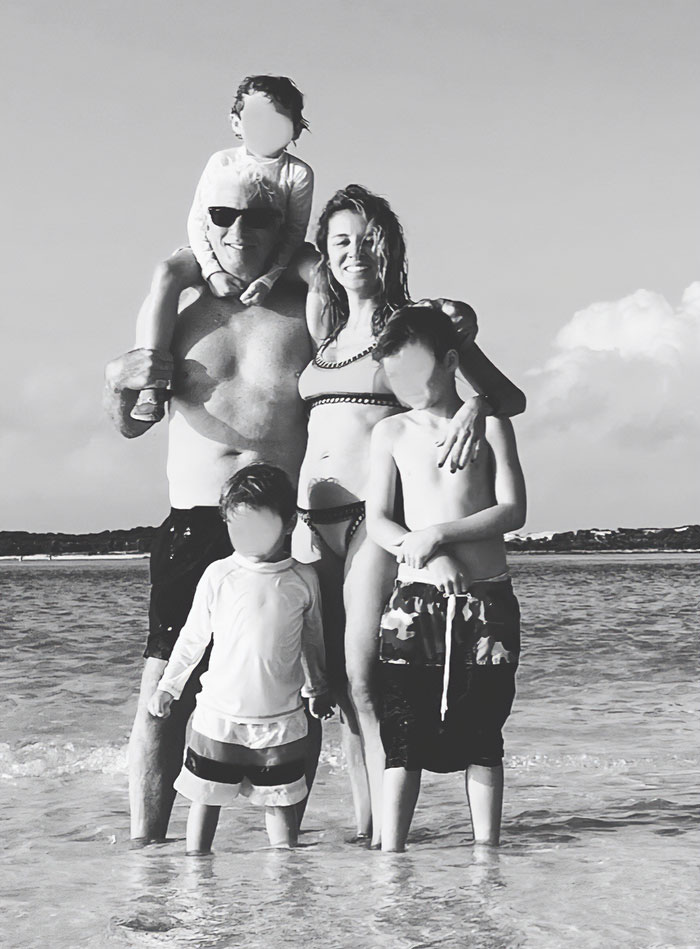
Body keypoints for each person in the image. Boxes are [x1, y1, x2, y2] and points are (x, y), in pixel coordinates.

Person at [293, 184, 526, 846]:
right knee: (337, 684)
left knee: (367, 672)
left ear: (391, 246)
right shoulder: (324, 331)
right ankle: (369, 828)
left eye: (368, 237)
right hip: (312, 521)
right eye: (341, 240)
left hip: (378, 520)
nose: (354, 251)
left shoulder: (417, 323)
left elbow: (504, 394)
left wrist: (478, 407)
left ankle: (385, 842)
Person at [103, 175, 317, 843]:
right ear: (205, 221)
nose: (237, 231)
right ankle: (149, 847)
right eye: (222, 216)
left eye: (256, 218)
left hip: (285, 524)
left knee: (291, 689)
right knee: (164, 688)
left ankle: (289, 856)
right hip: (195, 519)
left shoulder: (307, 308)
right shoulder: (182, 309)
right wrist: (117, 386)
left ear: (278, 228)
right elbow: (132, 424)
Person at [365, 305, 526, 852]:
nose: (407, 389)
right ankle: (394, 853)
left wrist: (442, 534)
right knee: (404, 729)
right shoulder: (390, 432)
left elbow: (512, 510)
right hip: (415, 601)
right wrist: (425, 552)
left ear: (450, 361)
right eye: (395, 377)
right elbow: (379, 520)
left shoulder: (492, 426)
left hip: (488, 600)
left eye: (417, 373)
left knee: (484, 729)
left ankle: (487, 853)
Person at [147, 464, 333, 853]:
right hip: (219, 718)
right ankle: (197, 875)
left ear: (288, 524)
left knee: (280, 806)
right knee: (205, 799)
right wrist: (168, 686)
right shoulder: (220, 573)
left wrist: (318, 687)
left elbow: (312, 640)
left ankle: (287, 880)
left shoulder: (302, 578)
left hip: (280, 722)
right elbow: (193, 635)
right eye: (237, 526)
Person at [131, 75, 313, 422]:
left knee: (318, 270)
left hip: (275, 255)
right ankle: (152, 379)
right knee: (167, 272)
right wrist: (212, 269)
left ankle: (324, 360)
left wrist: (271, 278)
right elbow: (198, 220)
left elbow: (293, 231)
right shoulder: (222, 162)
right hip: (213, 249)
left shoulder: (298, 174)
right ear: (236, 123)